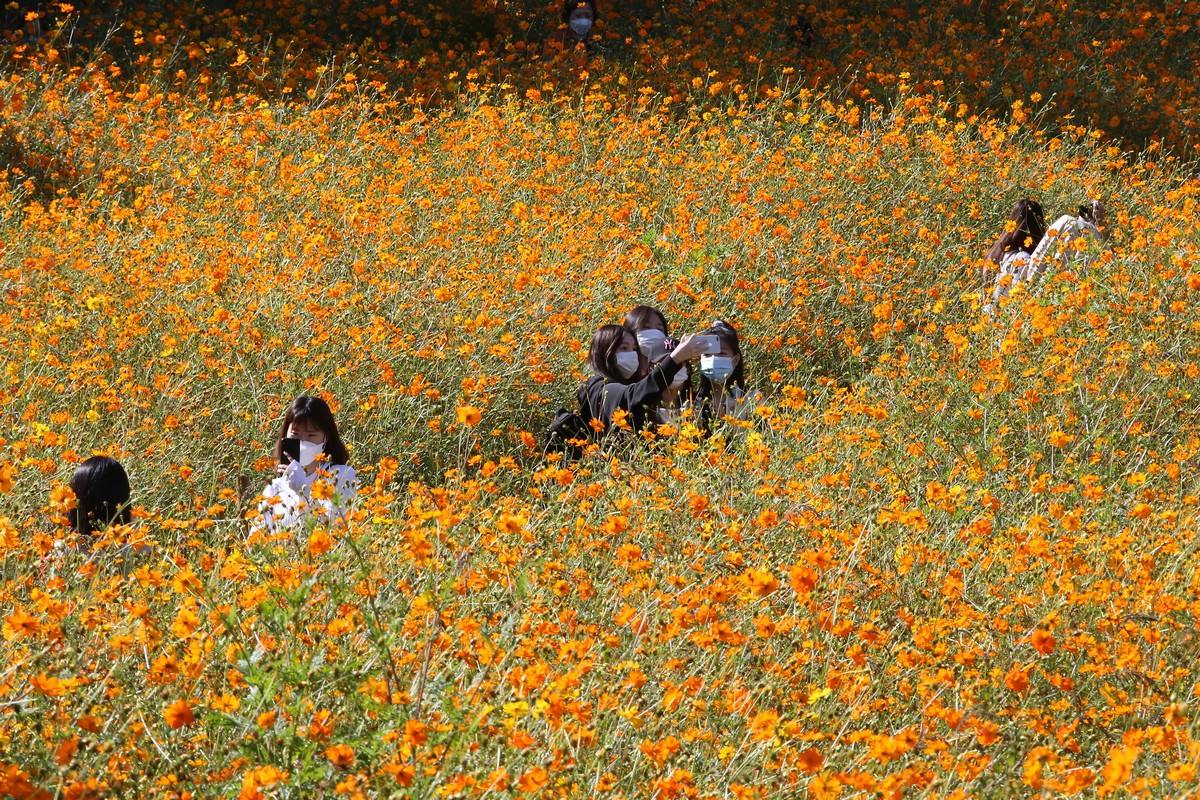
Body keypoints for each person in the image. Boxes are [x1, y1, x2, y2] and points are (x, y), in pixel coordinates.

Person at [578, 323, 709, 439]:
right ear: (603, 353)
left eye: (634, 349)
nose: (632, 354)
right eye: (623, 348)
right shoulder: (601, 388)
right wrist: (675, 358)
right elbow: (633, 396)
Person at [257, 395, 357, 533]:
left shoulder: (341, 475)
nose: (302, 442)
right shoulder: (274, 489)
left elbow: (335, 530)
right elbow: (257, 540)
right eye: (296, 435)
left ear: (326, 438)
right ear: (285, 435)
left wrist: (304, 492)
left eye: (311, 436)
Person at [60, 455, 144, 574]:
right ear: (123, 501)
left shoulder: (62, 550)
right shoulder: (138, 552)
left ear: (76, 500)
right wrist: (132, 529)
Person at [623, 305, 691, 424]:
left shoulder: (683, 393)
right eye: (646, 327)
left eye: (659, 329)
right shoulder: (623, 378)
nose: (653, 333)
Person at [695, 320, 760, 432]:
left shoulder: (752, 398)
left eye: (721, 353)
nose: (713, 359)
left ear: (736, 360)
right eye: (707, 354)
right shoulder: (694, 402)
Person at [983, 198, 1047, 313]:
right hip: (1004, 322)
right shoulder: (1022, 258)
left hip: (987, 318)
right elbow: (1018, 301)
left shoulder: (996, 252)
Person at [1028, 199, 1109, 271]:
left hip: (1046, 281)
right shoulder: (1097, 238)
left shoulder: (1065, 221)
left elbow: (1039, 259)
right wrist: (1102, 224)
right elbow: (1110, 260)